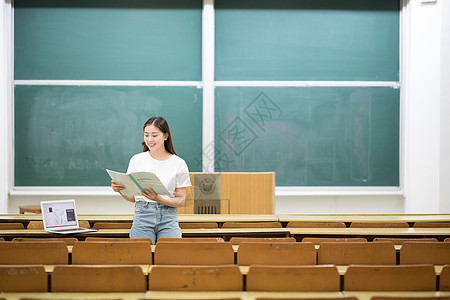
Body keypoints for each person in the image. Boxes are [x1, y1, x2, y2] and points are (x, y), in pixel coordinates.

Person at [111, 116, 191, 243]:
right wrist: (120, 190)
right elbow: (133, 198)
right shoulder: (137, 160)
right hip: (142, 214)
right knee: (141, 255)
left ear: (166, 136)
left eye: (154, 135)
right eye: (146, 135)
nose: (149, 140)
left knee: (170, 255)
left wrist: (157, 198)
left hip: (168, 216)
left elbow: (181, 200)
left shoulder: (179, 163)